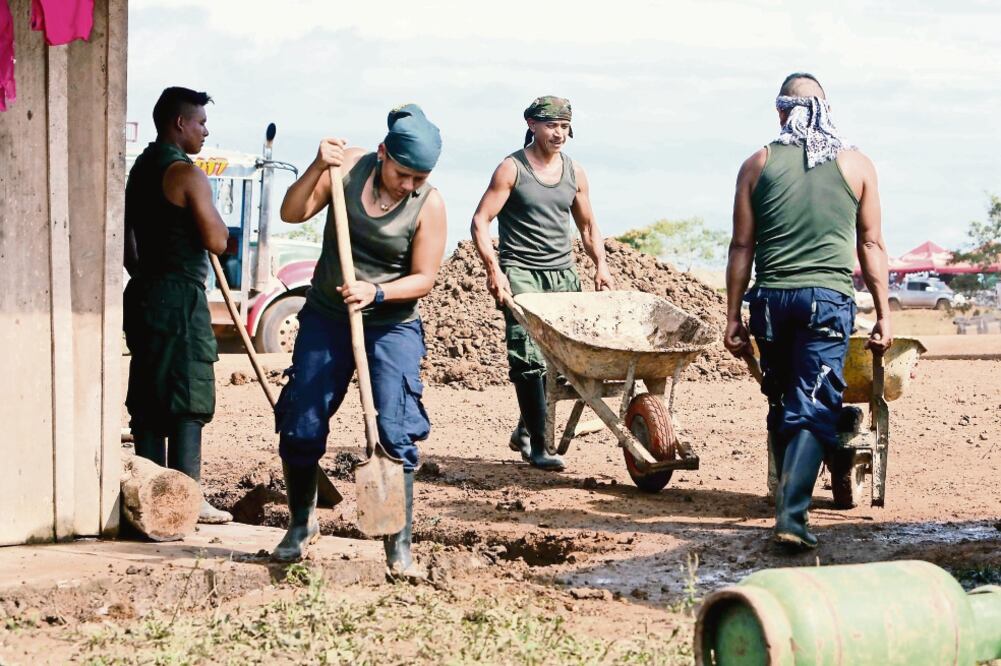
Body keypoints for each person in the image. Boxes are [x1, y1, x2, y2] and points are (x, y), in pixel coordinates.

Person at [274, 104, 447, 575]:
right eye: (403, 174)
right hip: (328, 317)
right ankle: (301, 523)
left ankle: (398, 541)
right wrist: (316, 166)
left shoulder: (428, 204)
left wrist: (377, 291)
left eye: (419, 177)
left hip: (392, 323)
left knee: (394, 429)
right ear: (382, 153)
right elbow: (293, 213)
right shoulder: (346, 169)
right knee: (302, 421)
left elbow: (424, 278)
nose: (409, 185)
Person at [724, 73, 892, 549]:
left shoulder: (756, 163)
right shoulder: (857, 165)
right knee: (814, 406)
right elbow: (872, 242)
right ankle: (792, 517)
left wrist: (732, 316)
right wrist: (884, 314)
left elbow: (741, 245)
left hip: (772, 303)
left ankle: (786, 500)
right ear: (827, 111)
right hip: (826, 302)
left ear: (782, 112)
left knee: (782, 400)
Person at [471, 95, 613, 472]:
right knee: (528, 359)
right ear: (532, 124)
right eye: (552, 125)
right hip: (520, 271)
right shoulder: (511, 169)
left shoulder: (575, 172)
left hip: (562, 274)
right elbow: (480, 221)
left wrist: (600, 265)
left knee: (563, 360)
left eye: (565, 127)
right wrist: (494, 270)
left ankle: (524, 428)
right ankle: (538, 444)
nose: (559, 133)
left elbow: (587, 226)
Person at [123, 86, 232, 524]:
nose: (206, 131)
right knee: (188, 392)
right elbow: (217, 240)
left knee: (150, 394)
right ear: (179, 123)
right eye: (201, 122)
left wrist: (149, 273)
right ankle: (188, 497)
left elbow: (127, 246)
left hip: (145, 292)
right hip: (181, 297)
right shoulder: (187, 175)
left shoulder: (141, 169)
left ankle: (146, 495)